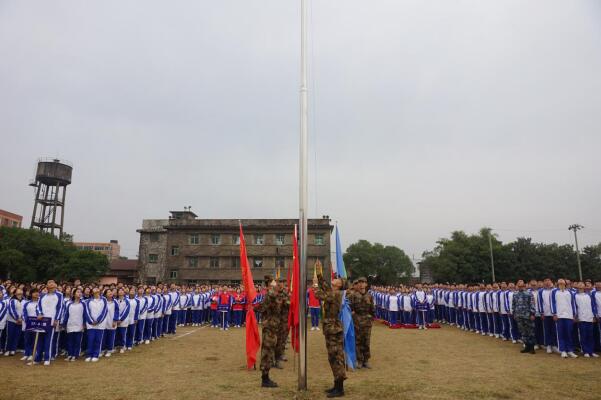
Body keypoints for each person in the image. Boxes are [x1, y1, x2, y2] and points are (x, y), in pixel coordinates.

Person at [315, 272, 347, 398]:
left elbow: (320, 295)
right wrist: (319, 276)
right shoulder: (333, 292)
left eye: (338, 279)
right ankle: (336, 385)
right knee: (332, 357)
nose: (335, 279)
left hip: (334, 329)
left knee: (336, 358)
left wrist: (316, 286)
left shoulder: (336, 294)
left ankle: (340, 389)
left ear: (340, 285)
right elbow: (326, 287)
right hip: (331, 328)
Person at [256, 275, 282, 388]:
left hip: (273, 326)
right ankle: (265, 379)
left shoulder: (272, 294)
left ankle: (266, 378)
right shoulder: (270, 295)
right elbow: (263, 307)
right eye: (274, 281)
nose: (276, 283)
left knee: (269, 351)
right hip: (270, 327)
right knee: (267, 352)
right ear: (270, 284)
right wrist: (253, 307)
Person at [348, 277, 374, 370]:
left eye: (364, 282)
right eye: (360, 282)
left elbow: (372, 309)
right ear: (358, 285)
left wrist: (371, 318)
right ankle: (359, 360)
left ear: (366, 284)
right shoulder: (353, 296)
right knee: (358, 342)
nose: (362, 284)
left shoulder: (370, 296)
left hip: (367, 321)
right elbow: (349, 308)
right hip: (357, 321)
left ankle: (366, 361)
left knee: (366, 342)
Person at [35, 280, 64, 365]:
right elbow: (38, 306)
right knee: (39, 340)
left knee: (49, 340)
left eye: (53, 282)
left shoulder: (59, 295)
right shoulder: (42, 295)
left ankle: (47, 358)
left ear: (55, 285)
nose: (51, 283)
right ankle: (38, 358)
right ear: (46, 285)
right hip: (41, 320)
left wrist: (56, 319)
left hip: (51, 321)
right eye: (49, 282)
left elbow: (60, 307)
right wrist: (39, 313)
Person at [551, 279, 578, 358]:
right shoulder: (554, 292)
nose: (561, 285)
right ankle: (563, 350)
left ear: (565, 284)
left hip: (569, 316)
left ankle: (570, 350)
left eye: (563, 283)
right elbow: (552, 303)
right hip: (559, 316)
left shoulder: (570, 292)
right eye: (560, 283)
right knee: (561, 334)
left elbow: (573, 303)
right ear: (557, 284)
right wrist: (554, 313)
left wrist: (574, 314)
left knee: (569, 333)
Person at [512, 280, 536, 354]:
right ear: (517, 286)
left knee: (530, 331)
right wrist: (514, 313)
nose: (520, 287)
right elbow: (513, 304)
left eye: (522, 286)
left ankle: (532, 348)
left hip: (527, 316)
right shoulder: (515, 294)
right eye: (519, 286)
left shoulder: (529, 293)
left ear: (524, 286)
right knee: (523, 332)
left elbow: (532, 304)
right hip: (519, 316)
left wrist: (532, 314)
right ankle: (526, 346)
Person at [84, 288, 108, 362]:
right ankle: (89, 355)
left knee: (98, 340)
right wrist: (91, 321)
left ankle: (96, 355)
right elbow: (86, 312)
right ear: (92, 292)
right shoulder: (88, 301)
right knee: (90, 339)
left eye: (97, 290)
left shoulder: (104, 300)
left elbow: (105, 311)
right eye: (94, 290)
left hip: (100, 324)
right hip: (91, 324)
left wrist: (98, 320)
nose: (96, 291)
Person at [574, 282, 598, 357]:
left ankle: (591, 351)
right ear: (577, 286)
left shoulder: (589, 295)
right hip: (581, 318)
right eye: (579, 284)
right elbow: (574, 306)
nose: (581, 285)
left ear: (584, 286)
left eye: (582, 284)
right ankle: (585, 351)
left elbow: (593, 305)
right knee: (583, 335)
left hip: (589, 317)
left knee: (590, 335)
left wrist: (594, 315)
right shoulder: (575, 295)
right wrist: (576, 316)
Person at [63, 288, 85, 361]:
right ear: (74, 294)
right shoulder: (69, 304)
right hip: (70, 324)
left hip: (79, 324)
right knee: (70, 341)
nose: (79, 293)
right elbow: (66, 314)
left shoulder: (83, 304)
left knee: (77, 341)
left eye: (80, 292)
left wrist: (84, 324)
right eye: (78, 292)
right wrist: (64, 324)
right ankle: (70, 354)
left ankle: (75, 355)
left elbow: (85, 315)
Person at [21, 288, 40, 362]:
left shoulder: (40, 303)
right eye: (34, 292)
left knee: (34, 340)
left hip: (37, 324)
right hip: (28, 324)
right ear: (31, 294)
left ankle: (32, 354)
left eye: (37, 292)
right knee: (27, 340)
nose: (36, 294)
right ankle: (26, 354)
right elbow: (24, 313)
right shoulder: (27, 303)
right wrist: (27, 320)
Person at [5, 288, 23, 356]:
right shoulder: (12, 300)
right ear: (15, 293)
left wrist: (21, 319)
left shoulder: (22, 301)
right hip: (11, 321)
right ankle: (7, 349)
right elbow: (11, 310)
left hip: (20, 322)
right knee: (10, 336)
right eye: (18, 293)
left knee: (16, 336)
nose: (20, 294)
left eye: (21, 293)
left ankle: (13, 349)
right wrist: (17, 318)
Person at [102, 289, 119, 357]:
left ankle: (109, 350)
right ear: (105, 294)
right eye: (108, 292)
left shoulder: (115, 301)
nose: (110, 293)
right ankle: (103, 349)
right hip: (103, 322)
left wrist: (115, 320)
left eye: (111, 292)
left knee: (111, 336)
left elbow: (117, 311)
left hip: (112, 321)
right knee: (103, 336)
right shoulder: (103, 301)